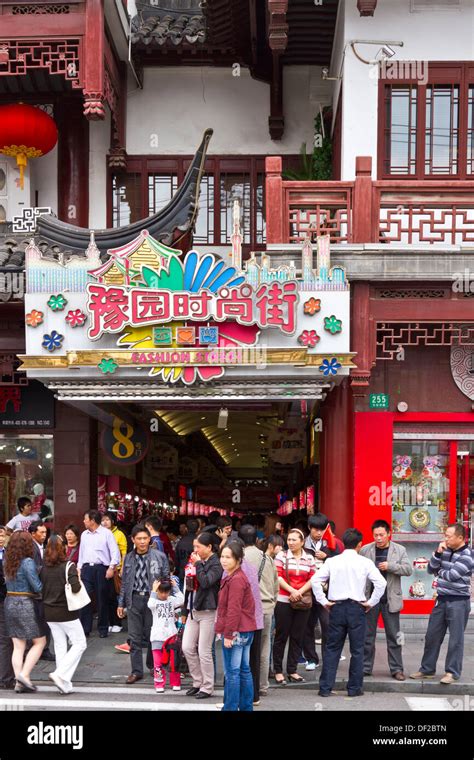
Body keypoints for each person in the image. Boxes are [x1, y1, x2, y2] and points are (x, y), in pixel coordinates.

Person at [312, 528, 387, 698]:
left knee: (332, 649)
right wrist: (370, 602)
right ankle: (354, 689)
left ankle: (325, 688)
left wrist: (323, 601)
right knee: (358, 650)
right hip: (356, 608)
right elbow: (381, 583)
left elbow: (316, 580)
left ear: (344, 543)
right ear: (359, 545)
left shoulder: (332, 561)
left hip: (336, 607)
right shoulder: (365, 562)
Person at [410, 523, 473, 685]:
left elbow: (452, 575)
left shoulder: (468, 555)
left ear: (460, 538)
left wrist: (440, 573)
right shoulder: (444, 551)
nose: (445, 538)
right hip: (441, 599)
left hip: (459, 601)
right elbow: (431, 569)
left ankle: (452, 672)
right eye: (445, 535)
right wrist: (438, 554)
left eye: (449, 536)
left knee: (455, 639)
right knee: (432, 636)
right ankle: (427, 669)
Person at [117, 524, 169, 684]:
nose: (142, 541)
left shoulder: (159, 556)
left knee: (153, 635)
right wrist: (121, 603)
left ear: (149, 539)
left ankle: (154, 667)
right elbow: (125, 582)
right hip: (134, 599)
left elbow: (166, 578)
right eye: (139, 538)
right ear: (133, 539)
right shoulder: (129, 557)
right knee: (134, 638)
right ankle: (136, 671)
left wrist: (165, 599)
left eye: (145, 538)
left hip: (153, 599)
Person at [360, 519, 412, 680]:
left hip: (390, 599)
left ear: (389, 534)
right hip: (371, 599)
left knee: (394, 636)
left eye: (382, 535)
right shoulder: (365, 550)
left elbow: (408, 570)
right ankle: (365, 667)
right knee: (367, 636)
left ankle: (397, 669)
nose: (379, 538)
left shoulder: (400, 549)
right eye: (376, 535)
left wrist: (390, 566)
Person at [40, 534, 87, 694]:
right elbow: (75, 588)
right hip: (66, 611)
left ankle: (64, 685)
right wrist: (78, 577)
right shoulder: (68, 566)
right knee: (80, 643)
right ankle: (60, 674)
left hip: (49, 612)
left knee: (60, 646)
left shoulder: (43, 567)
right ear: (63, 548)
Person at [216, 542, 256, 712]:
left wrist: (229, 634)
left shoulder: (236, 579)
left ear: (238, 559)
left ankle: (231, 707)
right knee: (243, 670)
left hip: (237, 630)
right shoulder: (235, 576)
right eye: (222, 556)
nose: (223, 560)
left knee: (233, 672)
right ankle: (245, 707)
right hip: (245, 629)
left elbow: (233, 609)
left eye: (228, 557)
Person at [182, 531, 223, 699]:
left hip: (208, 610)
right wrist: (184, 610)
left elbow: (206, 582)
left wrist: (198, 564)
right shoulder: (195, 561)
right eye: (194, 546)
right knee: (187, 647)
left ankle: (207, 686)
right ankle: (197, 681)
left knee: (204, 650)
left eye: (198, 546)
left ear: (209, 547)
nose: (195, 549)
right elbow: (188, 587)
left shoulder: (216, 563)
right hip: (193, 609)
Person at [3, 531, 46, 692]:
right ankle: (24, 675)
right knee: (40, 642)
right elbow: (37, 587)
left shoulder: (6, 560)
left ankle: (18, 683)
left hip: (9, 602)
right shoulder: (27, 562)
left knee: (18, 645)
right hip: (25, 603)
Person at [273, 528, 316, 685]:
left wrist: (299, 592)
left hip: (302, 601)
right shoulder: (281, 556)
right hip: (284, 600)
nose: (290, 542)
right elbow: (277, 576)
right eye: (289, 540)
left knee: (298, 636)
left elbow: (313, 578)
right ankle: (278, 670)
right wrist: (292, 591)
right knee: (281, 636)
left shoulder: (309, 558)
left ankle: (292, 670)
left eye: (294, 540)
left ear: (302, 542)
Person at [238, 524, 271, 703]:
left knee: (244, 653)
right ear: (256, 540)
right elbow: (274, 584)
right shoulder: (266, 557)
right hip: (266, 608)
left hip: (247, 611)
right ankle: (261, 687)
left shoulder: (239, 558)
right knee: (263, 650)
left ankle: (247, 692)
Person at [303, 513, 341, 669]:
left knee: (327, 625)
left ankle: (328, 658)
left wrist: (327, 557)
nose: (318, 533)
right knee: (307, 625)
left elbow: (340, 564)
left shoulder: (332, 544)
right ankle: (311, 659)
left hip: (327, 591)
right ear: (309, 528)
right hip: (307, 590)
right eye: (315, 529)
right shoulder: (302, 543)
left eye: (321, 530)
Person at [77, 510, 121, 639]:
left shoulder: (106, 533)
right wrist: (79, 567)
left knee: (102, 599)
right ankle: (85, 628)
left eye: (85, 519)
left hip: (102, 569)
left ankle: (103, 628)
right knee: (84, 598)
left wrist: (111, 567)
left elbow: (115, 552)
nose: (84, 521)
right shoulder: (84, 534)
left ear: (92, 520)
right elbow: (82, 552)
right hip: (86, 569)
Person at [148, 578, 184, 693]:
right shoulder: (154, 601)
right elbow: (150, 604)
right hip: (157, 637)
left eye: (166, 592)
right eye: (161, 592)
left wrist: (175, 587)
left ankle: (176, 683)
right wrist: (153, 590)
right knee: (157, 663)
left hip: (171, 636)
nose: (163, 594)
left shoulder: (172, 600)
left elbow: (182, 600)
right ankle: (159, 683)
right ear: (157, 591)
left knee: (174, 662)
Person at [259, 534, 283, 697]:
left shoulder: (262, 559)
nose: (281, 548)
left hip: (261, 607)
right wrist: (273, 603)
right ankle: (263, 682)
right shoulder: (269, 561)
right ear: (271, 546)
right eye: (279, 545)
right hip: (267, 608)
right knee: (265, 644)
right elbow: (275, 588)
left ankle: (260, 679)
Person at [28, 521, 55, 662]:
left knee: (44, 621)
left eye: (45, 532)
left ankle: (43, 649)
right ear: (33, 534)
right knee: (37, 621)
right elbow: (32, 569)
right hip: (36, 590)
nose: (44, 535)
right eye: (41, 532)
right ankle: (38, 650)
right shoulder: (30, 548)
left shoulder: (42, 546)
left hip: (44, 589)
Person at [101, 511, 127, 634]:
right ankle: (108, 622)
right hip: (103, 569)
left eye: (107, 519)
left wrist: (122, 568)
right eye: (103, 520)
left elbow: (124, 552)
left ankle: (117, 622)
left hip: (116, 570)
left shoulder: (119, 534)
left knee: (114, 597)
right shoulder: (100, 534)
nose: (104, 522)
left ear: (112, 521)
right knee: (104, 597)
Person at [0, 526, 15, 689]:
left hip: (7, 600)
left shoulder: (8, 554)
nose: (0, 538)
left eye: (2, 535)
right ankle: (5, 678)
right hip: (3, 599)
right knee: (5, 640)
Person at [175, 519, 199, 584]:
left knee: (183, 593)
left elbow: (177, 561)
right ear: (198, 529)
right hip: (197, 575)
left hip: (183, 574)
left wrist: (177, 572)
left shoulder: (181, 542)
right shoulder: (201, 542)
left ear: (186, 528)